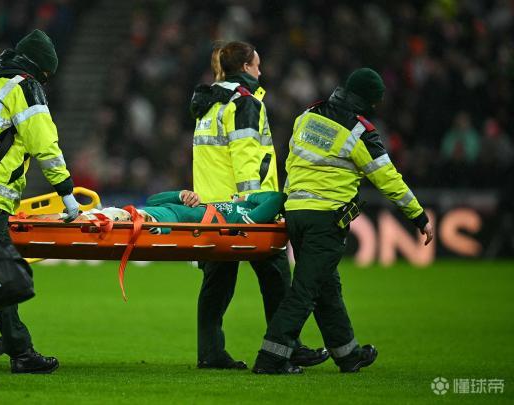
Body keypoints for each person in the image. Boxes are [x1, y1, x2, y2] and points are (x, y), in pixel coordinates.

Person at [252, 68, 434, 374]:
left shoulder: (307, 116)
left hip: (296, 213)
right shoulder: (359, 131)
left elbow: (292, 161)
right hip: (326, 219)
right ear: (369, 100)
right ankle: (270, 359)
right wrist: (419, 216)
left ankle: (348, 356)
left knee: (326, 288)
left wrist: (290, 201)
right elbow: (388, 179)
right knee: (305, 292)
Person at [188, 40, 327, 370]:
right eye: (257, 65)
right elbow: (247, 156)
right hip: (246, 210)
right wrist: (254, 204)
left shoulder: (208, 105)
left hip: (213, 209)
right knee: (277, 278)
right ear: (246, 67)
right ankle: (286, 347)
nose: (261, 72)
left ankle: (210, 352)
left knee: (217, 284)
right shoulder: (244, 103)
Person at [0, 29, 80, 374]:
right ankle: (20, 352)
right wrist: (66, 193)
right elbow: (44, 144)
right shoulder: (25, 87)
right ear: (41, 69)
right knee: (3, 274)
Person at [42, 190, 286, 227]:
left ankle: (30, 223)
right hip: (146, 212)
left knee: (84, 219)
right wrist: (180, 194)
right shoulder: (236, 207)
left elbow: (277, 197)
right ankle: (30, 221)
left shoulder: (245, 218)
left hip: (150, 221)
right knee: (82, 217)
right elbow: (154, 199)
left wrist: (245, 196)